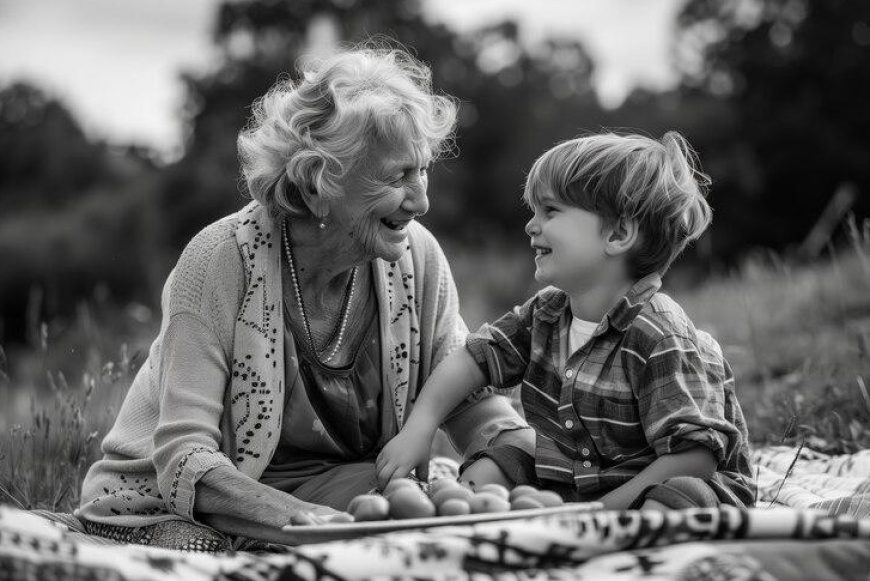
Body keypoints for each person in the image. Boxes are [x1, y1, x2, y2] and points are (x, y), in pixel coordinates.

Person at [77, 45, 533, 550]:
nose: (422, 200)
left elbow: (465, 393)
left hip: (338, 500)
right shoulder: (218, 260)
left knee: (443, 528)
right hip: (177, 504)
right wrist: (314, 525)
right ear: (318, 185)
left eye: (421, 170)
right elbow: (185, 458)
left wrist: (511, 455)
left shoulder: (416, 258)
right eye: (397, 176)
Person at [376, 132, 756, 511]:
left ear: (619, 233)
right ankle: (470, 516)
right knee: (500, 461)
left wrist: (597, 513)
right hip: (573, 483)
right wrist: (419, 429)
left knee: (683, 494)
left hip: (653, 487)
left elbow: (695, 459)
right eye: (534, 211)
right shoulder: (546, 313)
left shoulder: (662, 336)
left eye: (550, 211)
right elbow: (471, 361)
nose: (531, 225)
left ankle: (602, 537)